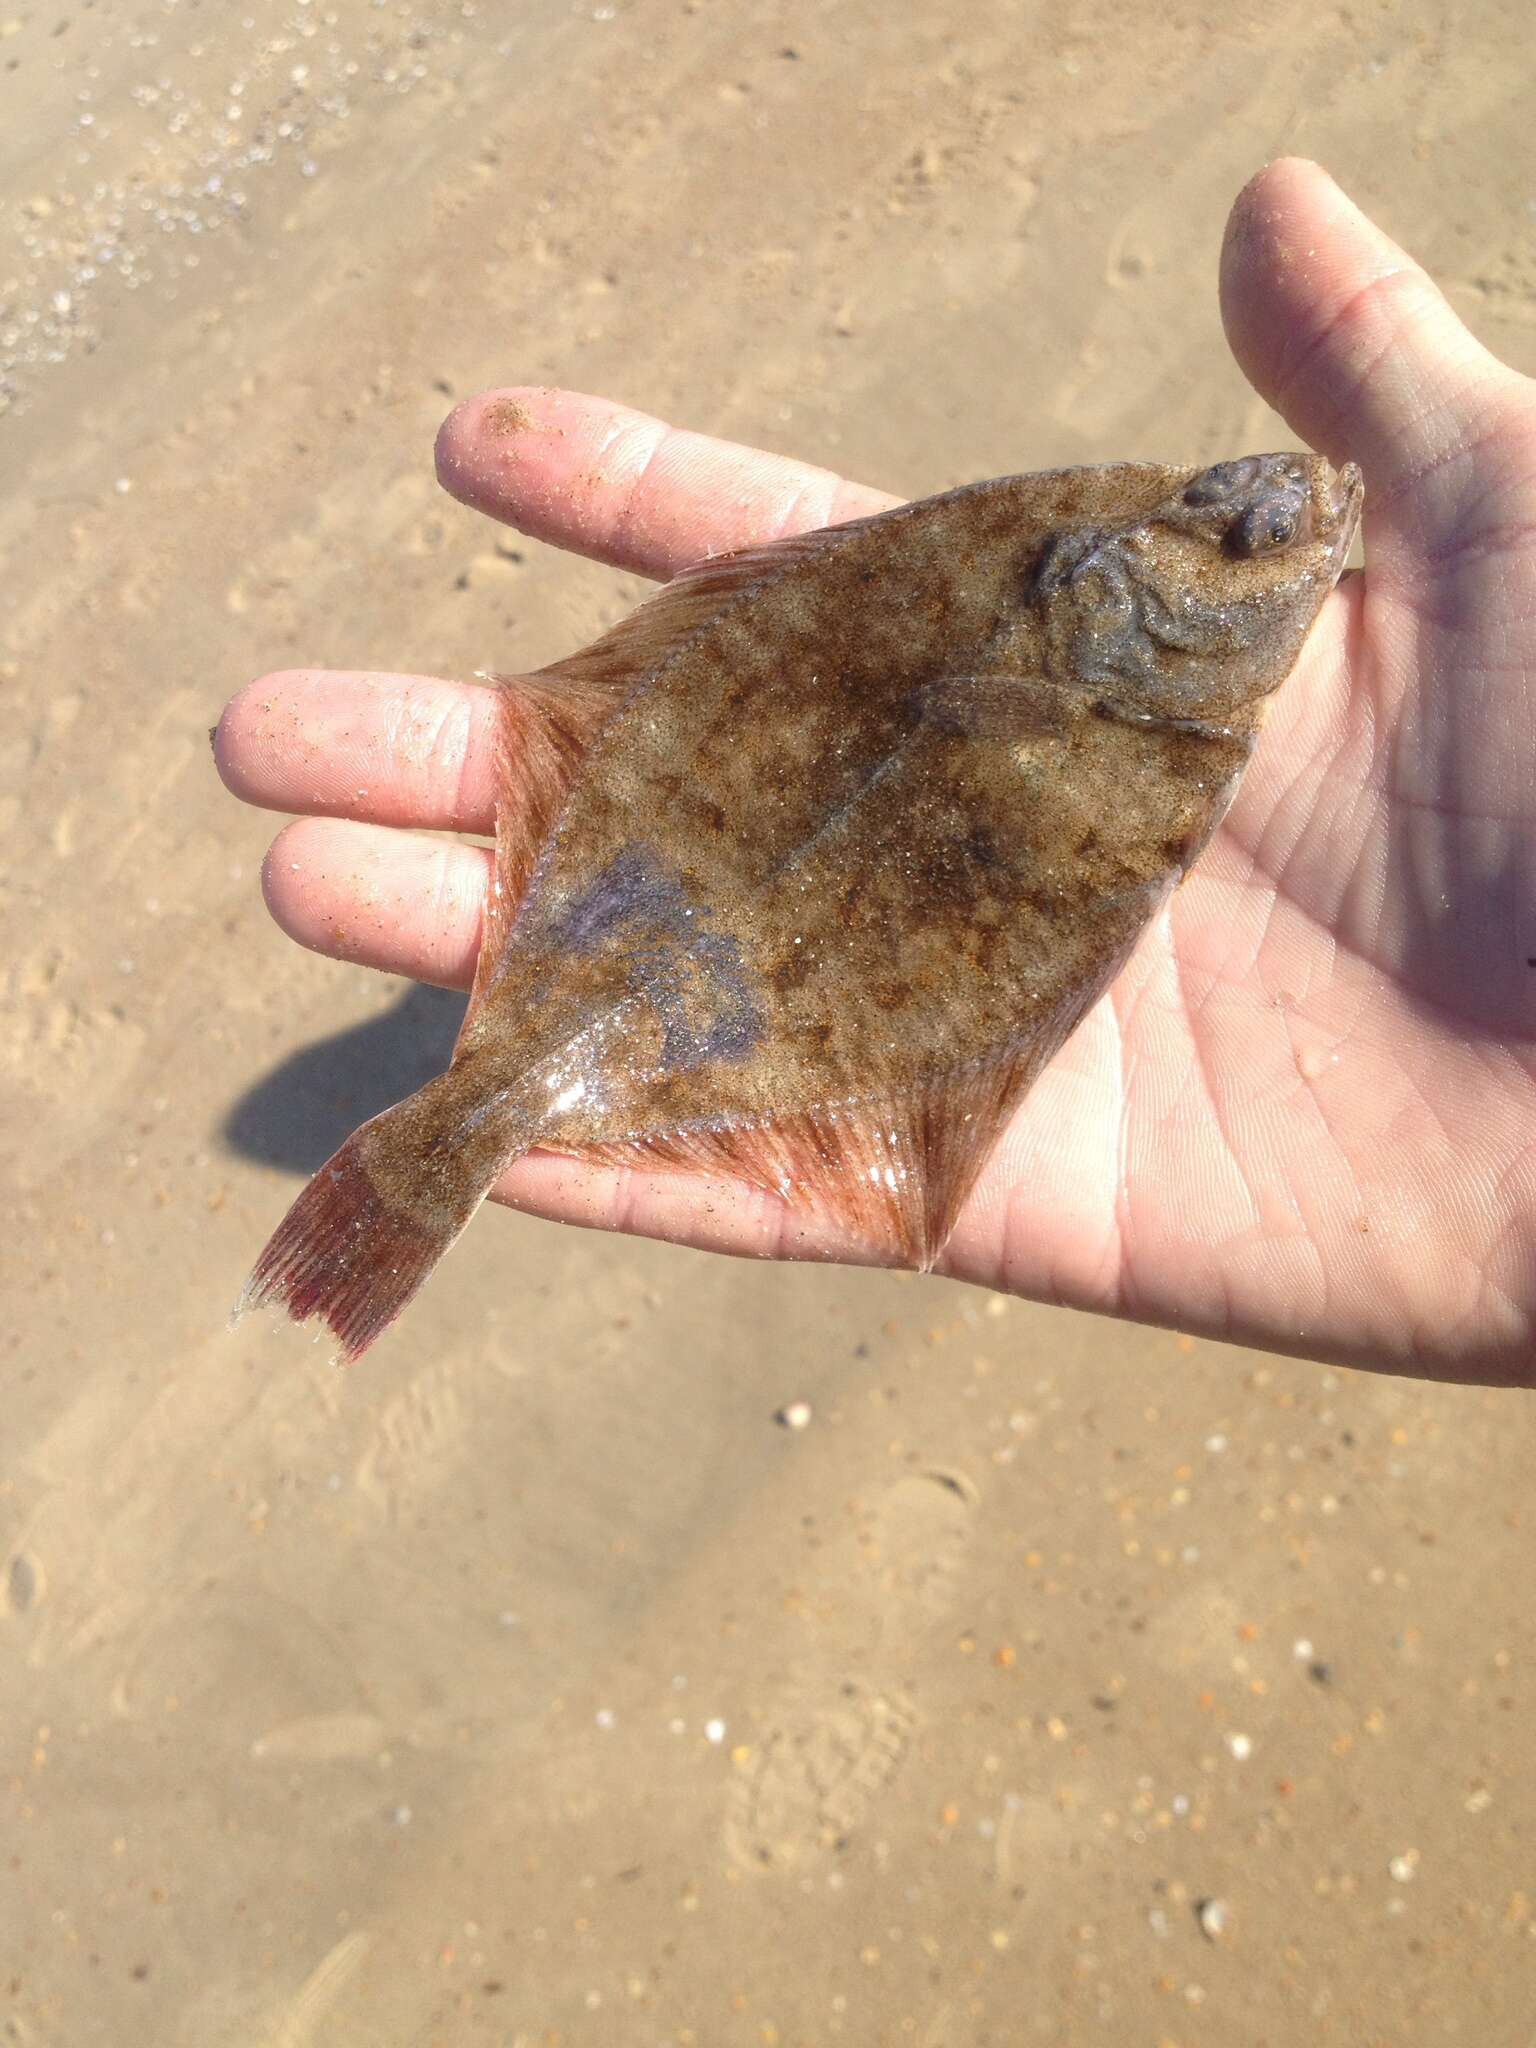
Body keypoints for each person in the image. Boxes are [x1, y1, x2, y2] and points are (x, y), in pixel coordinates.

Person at [214, 160, 1536, 1388]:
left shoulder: (1101, 599)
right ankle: (474, 1127)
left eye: (1243, 533)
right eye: (1243, 533)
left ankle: (482, 1121)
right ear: (1108, 586)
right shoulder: (1097, 609)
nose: (1286, 530)